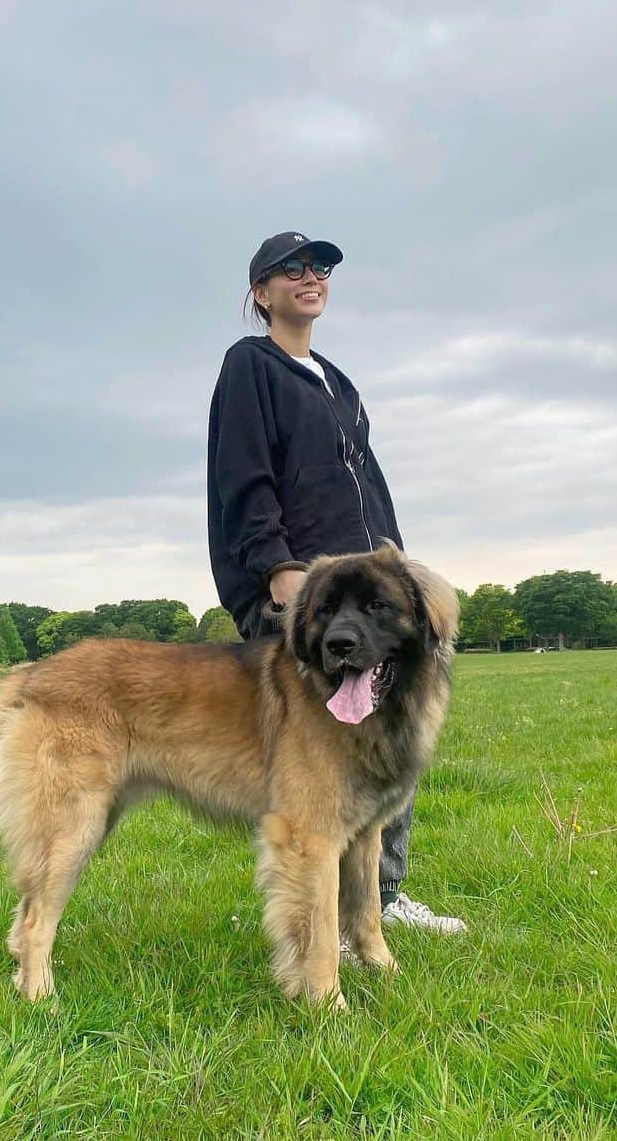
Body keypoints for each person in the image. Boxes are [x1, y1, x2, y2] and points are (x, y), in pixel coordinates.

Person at [206, 231, 466, 935]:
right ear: (261, 293)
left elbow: (365, 484)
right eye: (289, 270)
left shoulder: (336, 379)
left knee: (388, 740)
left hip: (371, 590)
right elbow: (244, 475)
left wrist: (400, 570)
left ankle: (378, 903)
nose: (309, 277)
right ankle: (325, 932)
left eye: (318, 267)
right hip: (311, 600)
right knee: (322, 779)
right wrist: (277, 566)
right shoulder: (250, 366)